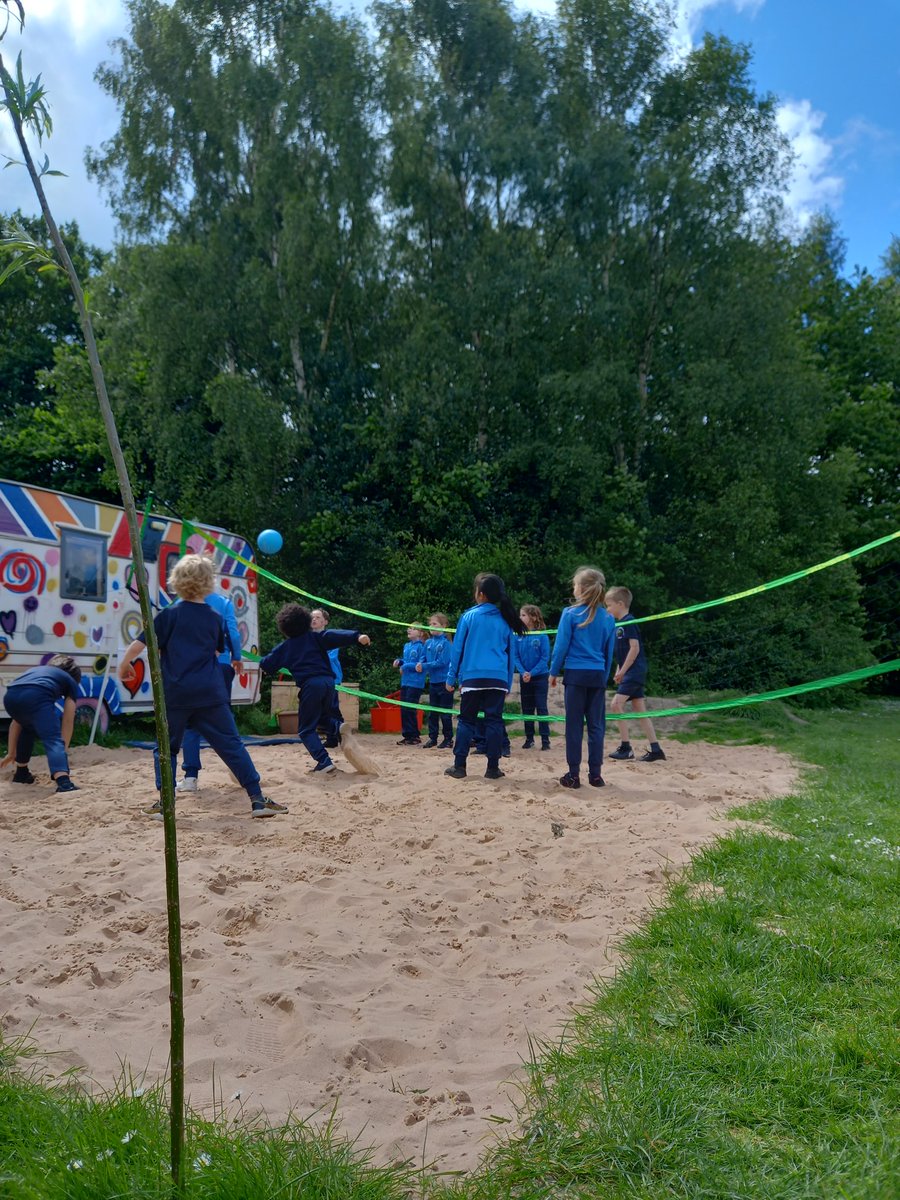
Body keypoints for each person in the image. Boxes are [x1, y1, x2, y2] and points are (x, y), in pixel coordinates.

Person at [118, 553, 285, 819]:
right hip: (210, 692)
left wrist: (124, 664)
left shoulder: (168, 615)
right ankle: (256, 799)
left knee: (166, 748)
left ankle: (165, 804)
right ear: (210, 582)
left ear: (176, 581)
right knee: (231, 744)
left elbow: (141, 643)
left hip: (176, 693)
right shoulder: (214, 618)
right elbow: (219, 646)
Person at [260, 603, 370, 773]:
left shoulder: (285, 647)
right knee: (321, 717)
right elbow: (334, 636)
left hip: (311, 686)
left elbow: (267, 664)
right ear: (305, 621)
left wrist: (264, 668)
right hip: (328, 683)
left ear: (285, 627)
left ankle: (324, 762)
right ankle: (336, 727)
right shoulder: (316, 638)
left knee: (305, 729)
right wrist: (357, 637)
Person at [444, 574, 526, 781]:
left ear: (480, 594)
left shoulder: (468, 617)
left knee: (466, 721)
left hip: (472, 677)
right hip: (497, 678)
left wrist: (451, 677)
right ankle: (492, 768)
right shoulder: (505, 619)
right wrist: (507, 682)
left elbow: (457, 650)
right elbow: (510, 655)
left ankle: (459, 766)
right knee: (494, 722)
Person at [549, 566, 617, 789]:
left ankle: (573, 774)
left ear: (581, 589)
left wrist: (553, 671)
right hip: (596, 675)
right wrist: (604, 677)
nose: (573, 587)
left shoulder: (569, 614)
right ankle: (596, 775)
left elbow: (560, 647)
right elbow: (609, 653)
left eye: (575, 584)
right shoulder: (607, 618)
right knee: (596, 726)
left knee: (574, 726)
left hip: (576, 675)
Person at [175, 587, 243, 793]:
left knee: (191, 723)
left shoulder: (181, 602)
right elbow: (233, 632)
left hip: (193, 667)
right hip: (220, 666)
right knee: (225, 723)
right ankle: (241, 771)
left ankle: (190, 778)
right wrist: (236, 656)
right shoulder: (224, 602)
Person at [1, 655, 81, 792]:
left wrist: (11, 752)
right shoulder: (70, 681)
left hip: (10, 696)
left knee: (26, 727)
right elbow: (68, 720)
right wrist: (63, 749)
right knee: (53, 738)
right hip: (37, 695)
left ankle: (21, 773)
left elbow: (16, 723)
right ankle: (64, 781)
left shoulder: (38, 672)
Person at [605, 586, 666, 763]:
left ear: (620, 604)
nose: (607, 609)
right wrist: (618, 671)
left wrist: (624, 671)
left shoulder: (629, 621)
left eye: (609, 605)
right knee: (639, 709)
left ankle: (626, 748)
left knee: (616, 705)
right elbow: (622, 653)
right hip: (630, 671)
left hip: (635, 671)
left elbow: (635, 648)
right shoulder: (619, 624)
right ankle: (656, 749)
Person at [516, 604, 552, 751]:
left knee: (541, 707)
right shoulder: (518, 635)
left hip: (540, 677)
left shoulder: (542, 635)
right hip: (525, 677)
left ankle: (545, 739)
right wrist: (523, 671)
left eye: (523, 615)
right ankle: (529, 738)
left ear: (534, 617)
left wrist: (532, 673)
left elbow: (545, 658)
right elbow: (515, 656)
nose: (520, 618)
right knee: (527, 708)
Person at [417, 613, 454, 749]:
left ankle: (448, 738)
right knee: (432, 713)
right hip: (433, 682)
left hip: (444, 682)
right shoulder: (427, 642)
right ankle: (432, 738)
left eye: (435, 624)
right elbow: (422, 658)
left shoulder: (446, 643)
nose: (432, 626)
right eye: (430, 624)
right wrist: (420, 664)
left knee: (445, 713)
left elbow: (442, 662)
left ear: (444, 626)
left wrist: (424, 666)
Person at [311, 607, 343, 748]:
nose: (314, 619)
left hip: (332, 679)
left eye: (318, 617)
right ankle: (332, 737)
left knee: (332, 709)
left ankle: (340, 735)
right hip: (316, 681)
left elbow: (329, 658)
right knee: (322, 710)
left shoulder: (330, 638)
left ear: (325, 621)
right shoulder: (309, 639)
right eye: (312, 617)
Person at [393, 626, 426, 745]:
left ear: (421, 633)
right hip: (405, 682)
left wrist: (404, 666)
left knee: (410, 710)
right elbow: (406, 661)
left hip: (415, 683)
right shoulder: (407, 646)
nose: (409, 630)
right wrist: (399, 661)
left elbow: (420, 665)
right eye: (409, 628)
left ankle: (414, 736)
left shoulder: (422, 647)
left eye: (413, 628)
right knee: (404, 710)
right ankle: (407, 735)